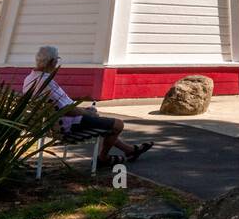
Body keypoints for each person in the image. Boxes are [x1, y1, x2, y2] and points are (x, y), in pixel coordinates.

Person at [23, 46, 152, 167]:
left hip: (50, 124)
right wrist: (87, 113)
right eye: (57, 60)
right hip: (65, 125)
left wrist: (84, 111)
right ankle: (103, 158)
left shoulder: (30, 78)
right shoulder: (47, 83)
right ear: (52, 62)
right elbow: (68, 110)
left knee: (103, 124)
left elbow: (61, 106)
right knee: (117, 124)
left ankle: (129, 150)